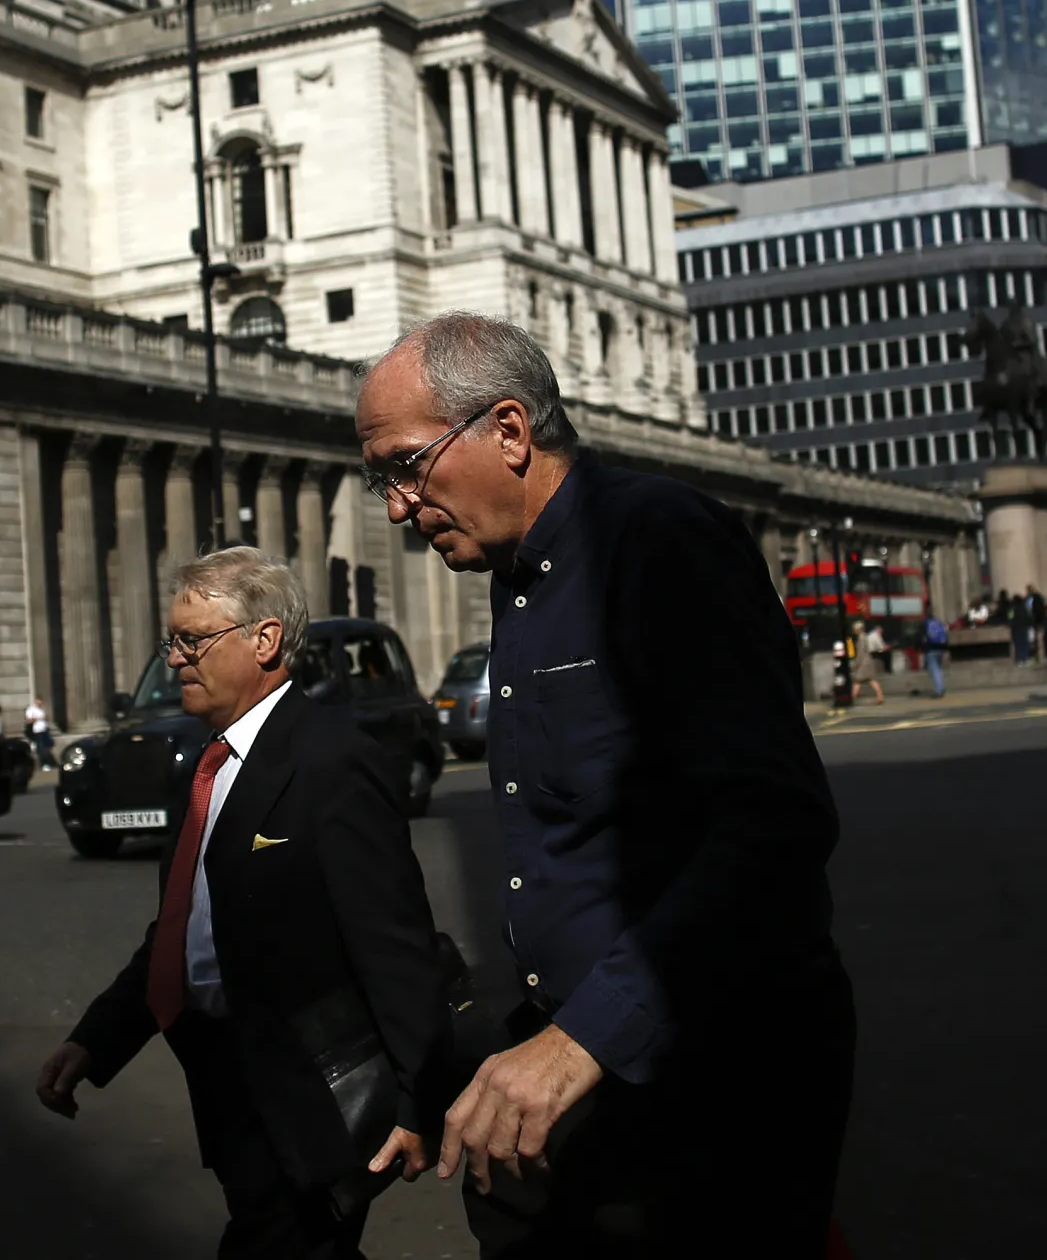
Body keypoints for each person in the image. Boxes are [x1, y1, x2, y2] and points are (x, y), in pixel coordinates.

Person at [356, 312, 852, 1259]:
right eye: (381, 477)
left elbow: (773, 827)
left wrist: (579, 1040)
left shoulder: (659, 542)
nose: (396, 505)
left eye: (406, 465)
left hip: (713, 1072)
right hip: (598, 1063)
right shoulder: (519, 578)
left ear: (509, 431)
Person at [36, 548, 455, 1260]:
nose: (175, 659)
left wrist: (420, 1101)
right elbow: (183, 933)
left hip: (312, 1096)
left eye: (192, 640)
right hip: (230, 1091)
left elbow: (393, 943)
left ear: (263, 640)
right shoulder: (206, 765)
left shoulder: (331, 761)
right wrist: (96, 1039)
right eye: (172, 640)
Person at [851, 621, 886, 706]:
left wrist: (856, 664)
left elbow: (860, 653)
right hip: (868, 661)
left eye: (855, 629)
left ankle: (852, 698)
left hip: (863, 663)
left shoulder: (861, 638)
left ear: (857, 629)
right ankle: (880, 696)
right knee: (871, 680)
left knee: (857, 680)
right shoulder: (865, 636)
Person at [921, 609, 950, 699]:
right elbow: (945, 635)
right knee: (938, 669)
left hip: (930, 649)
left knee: (934, 670)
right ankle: (941, 687)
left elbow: (921, 637)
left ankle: (938, 690)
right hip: (940, 648)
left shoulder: (925, 623)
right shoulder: (938, 622)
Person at [24, 695, 56, 772]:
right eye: (39, 701)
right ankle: (43, 764)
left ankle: (49, 763)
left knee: (48, 746)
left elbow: (44, 718)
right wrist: (39, 718)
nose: (40, 703)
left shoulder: (40, 710)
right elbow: (30, 720)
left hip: (44, 730)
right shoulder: (31, 709)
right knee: (41, 748)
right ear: (36, 701)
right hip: (37, 731)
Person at [1007, 587, 1034, 665]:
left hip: (1015, 628)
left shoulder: (1012, 608)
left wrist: (1010, 624)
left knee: (1017, 644)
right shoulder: (1024, 607)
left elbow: (1010, 617)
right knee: (1024, 643)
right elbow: (1029, 617)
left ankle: (1019, 659)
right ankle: (1025, 658)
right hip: (1023, 627)